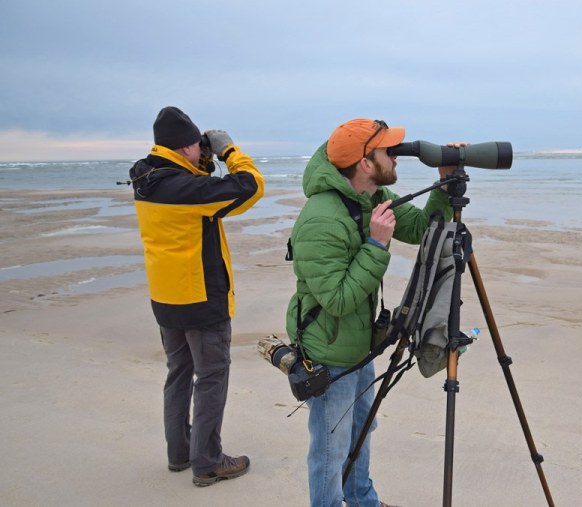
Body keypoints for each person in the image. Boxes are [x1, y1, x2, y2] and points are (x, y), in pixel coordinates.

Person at [286, 119, 455, 506]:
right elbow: (339, 300)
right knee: (330, 449)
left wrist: (445, 184)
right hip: (329, 356)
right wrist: (377, 246)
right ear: (365, 162)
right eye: (388, 151)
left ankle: (362, 499)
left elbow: (421, 228)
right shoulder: (320, 219)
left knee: (362, 428)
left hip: (360, 345)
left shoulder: (371, 196)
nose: (396, 156)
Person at [129, 106, 265, 487]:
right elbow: (251, 186)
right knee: (211, 379)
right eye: (198, 147)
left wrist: (200, 159)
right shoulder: (186, 190)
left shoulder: (150, 177)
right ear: (187, 146)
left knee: (179, 375)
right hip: (201, 300)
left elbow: (194, 182)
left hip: (166, 297)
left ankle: (179, 453)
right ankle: (207, 462)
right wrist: (229, 151)